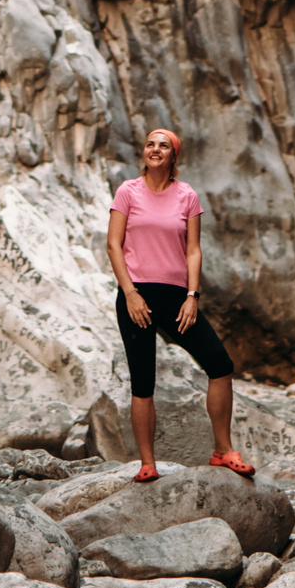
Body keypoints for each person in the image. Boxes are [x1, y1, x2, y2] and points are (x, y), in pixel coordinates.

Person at [107, 128, 252, 483]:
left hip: (177, 297)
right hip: (136, 295)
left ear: (174, 157)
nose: (155, 149)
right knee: (143, 383)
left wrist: (192, 296)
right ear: (144, 152)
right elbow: (113, 245)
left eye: (164, 146)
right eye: (150, 144)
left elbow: (193, 250)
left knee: (220, 365)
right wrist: (129, 294)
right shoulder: (128, 191)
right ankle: (147, 463)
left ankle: (222, 450)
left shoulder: (186, 195)